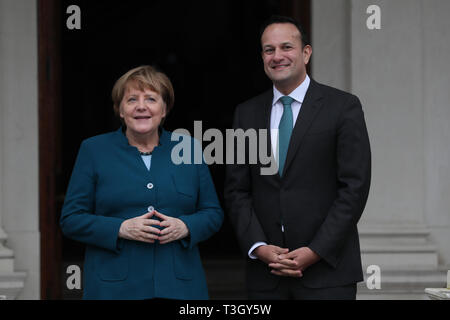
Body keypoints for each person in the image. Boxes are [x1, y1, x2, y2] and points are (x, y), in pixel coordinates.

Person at [224, 15, 371, 299]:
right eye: (269, 50)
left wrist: (315, 250)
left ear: (306, 52)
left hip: (328, 273)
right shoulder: (245, 113)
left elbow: (354, 188)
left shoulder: (343, 107)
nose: (277, 56)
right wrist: (259, 247)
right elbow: (236, 190)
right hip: (266, 275)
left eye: (286, 47)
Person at [60, 65, 223, 300]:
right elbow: (71, 219)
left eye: (151, 99)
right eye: (132, 99)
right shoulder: (94, 150)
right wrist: (120, 228)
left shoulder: (188, 149)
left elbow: (213, 213)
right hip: (113, 289)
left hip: (179, 288)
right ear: (120, 110)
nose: (141, 106)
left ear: (164, 109)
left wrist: (186, 226)